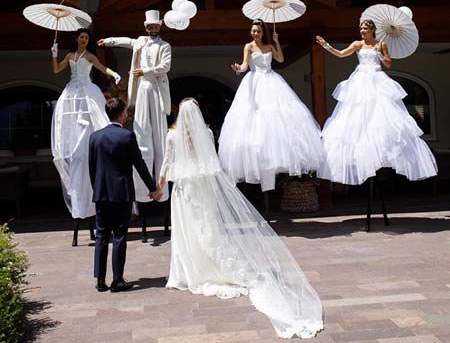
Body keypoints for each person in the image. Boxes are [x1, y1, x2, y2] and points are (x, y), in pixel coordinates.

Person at [156, 99, 323, 339]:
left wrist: (159, 187)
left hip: (185, 189)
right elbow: (212, 161)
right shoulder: (206, 132)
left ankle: (189, 271)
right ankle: (210, 265)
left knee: (188, 230)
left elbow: (167, 163)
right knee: (208, 226)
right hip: (203, 186)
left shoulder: (173, 136)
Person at [315, 20, 438, 185]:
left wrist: (379, 53)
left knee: (381, 115)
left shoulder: (382, 44)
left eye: (365, 28)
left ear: (372, 30)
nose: (362, 31)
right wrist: (326, 46)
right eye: (360, 28)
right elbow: (342, 53)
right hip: (360, 79)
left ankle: (382, 156)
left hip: (377, 79)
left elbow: (388, 63)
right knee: (358, 114)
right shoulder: (357, 44)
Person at [218, 19, 324, 192]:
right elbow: (245, 64)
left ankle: (274, 162)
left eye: (258, 31)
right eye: (253, 31)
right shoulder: (248, 46)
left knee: (277, 118)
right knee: (254, 117)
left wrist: (276, 41)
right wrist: (238, 68)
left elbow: (280, 59)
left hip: (271, 80)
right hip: (254, 82)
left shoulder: (269, 46)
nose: (255, 34)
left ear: (262, 32)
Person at [97, 10, 171, 202]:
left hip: (156, 87)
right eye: (149, 26)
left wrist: (145, 71)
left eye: (155, 26)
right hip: (142, 89)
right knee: (142, 133)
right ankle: (143, 189)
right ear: (146, 27)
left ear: (159, 27)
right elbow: (125, 40)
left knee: (160, 136)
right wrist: (108, 41)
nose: (152, 29)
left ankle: (163, 188)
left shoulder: (165, 45)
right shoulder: (140, 41)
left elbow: (165, 66)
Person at [89, 98, 161, 293]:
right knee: (120, 235)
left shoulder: (95, 137)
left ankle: (100, 280)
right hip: (122, 193)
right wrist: (153, 187)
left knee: (101, 235)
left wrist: (97, 188)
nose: (127, 115)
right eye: (126, 112)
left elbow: (92, 169)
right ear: (121, 114)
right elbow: (140, 165)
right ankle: (118, 279)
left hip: (102, 193)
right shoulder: (127, 136)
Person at [51, 28, 121, 219]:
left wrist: (114, 74)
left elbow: (101, 68)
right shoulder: (71, 55)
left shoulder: (89, 55)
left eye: (86, 37)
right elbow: (56, 70)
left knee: (93, 118)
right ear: (77, 39)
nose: (84, 39)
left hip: (87, 90)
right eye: (82, 37)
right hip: (71, 91)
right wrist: (54, 55)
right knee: (70, 120)